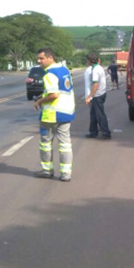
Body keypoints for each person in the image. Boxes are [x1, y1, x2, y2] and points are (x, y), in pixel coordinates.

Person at [33, 47, 76, 182]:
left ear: (50, 57)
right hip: (66, 112)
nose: (39, 61)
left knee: (45, 143)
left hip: (52, 115)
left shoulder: (49, 74)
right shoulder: (64, 70)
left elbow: (54, 94)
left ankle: (47, 170)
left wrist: (39, 101)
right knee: (65, 144)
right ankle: (66, 174)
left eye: (41, 58)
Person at [84, 53, 111, 140]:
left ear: (90, 61)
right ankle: (93, 131)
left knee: (100, 115)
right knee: (93, 114)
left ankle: (106, 133)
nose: (87, 62)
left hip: (97, 95)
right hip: (102, 93)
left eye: (87, 60)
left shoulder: (95, 70)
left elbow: (95, 85)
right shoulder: (99, 67)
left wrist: (89, 96)